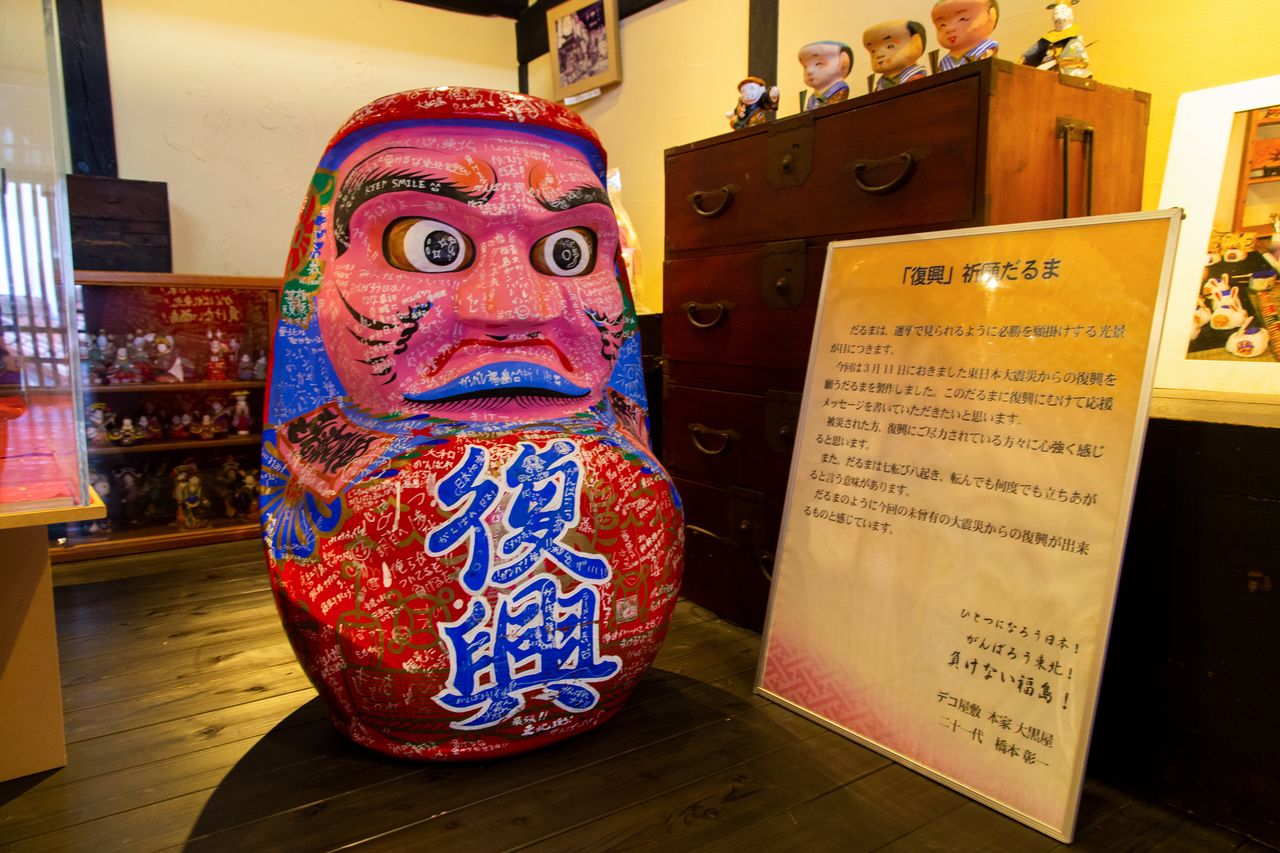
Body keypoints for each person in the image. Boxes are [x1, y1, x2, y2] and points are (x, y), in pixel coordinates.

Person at [263, 87, 683, 761]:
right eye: (431, 245)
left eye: (568, 251)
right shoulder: (322, 462)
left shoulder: (620, 445)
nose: (515, 308)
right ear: (315, 276)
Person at [932, 0, 999, 71]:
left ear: (990, 17)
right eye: (942, 25)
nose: (949, 29)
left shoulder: (986, 51)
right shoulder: (944, 62)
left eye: (962, 19)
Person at [863, 20, 928, 91]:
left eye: (890, 46)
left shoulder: (914, 78)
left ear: (915, 43)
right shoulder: (880, 85)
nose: (879, 55)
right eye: (873, 51)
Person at [799, 41, 854, 110]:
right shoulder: (812, 99)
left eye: (818, 64)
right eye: (805, 67)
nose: (809, 71)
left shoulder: (839, 91)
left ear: (843, 61)